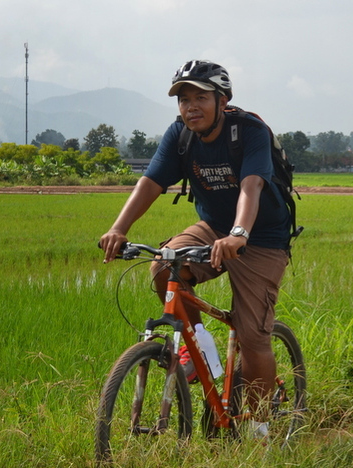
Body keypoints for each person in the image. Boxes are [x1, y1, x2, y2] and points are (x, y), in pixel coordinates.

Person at [99, 59, 291, 431]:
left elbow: (251, 186)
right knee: (163, 267)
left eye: (200, 97)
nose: (190, 107)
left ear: (223, 100)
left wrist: (239, 234)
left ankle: (260, 428)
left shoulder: (248, 131)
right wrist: (118, 228)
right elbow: (150, 183)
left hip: (262, 238)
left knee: (253, 336)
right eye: (183, 99)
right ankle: (201, 345)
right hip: (212, 227)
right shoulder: (180, 136)